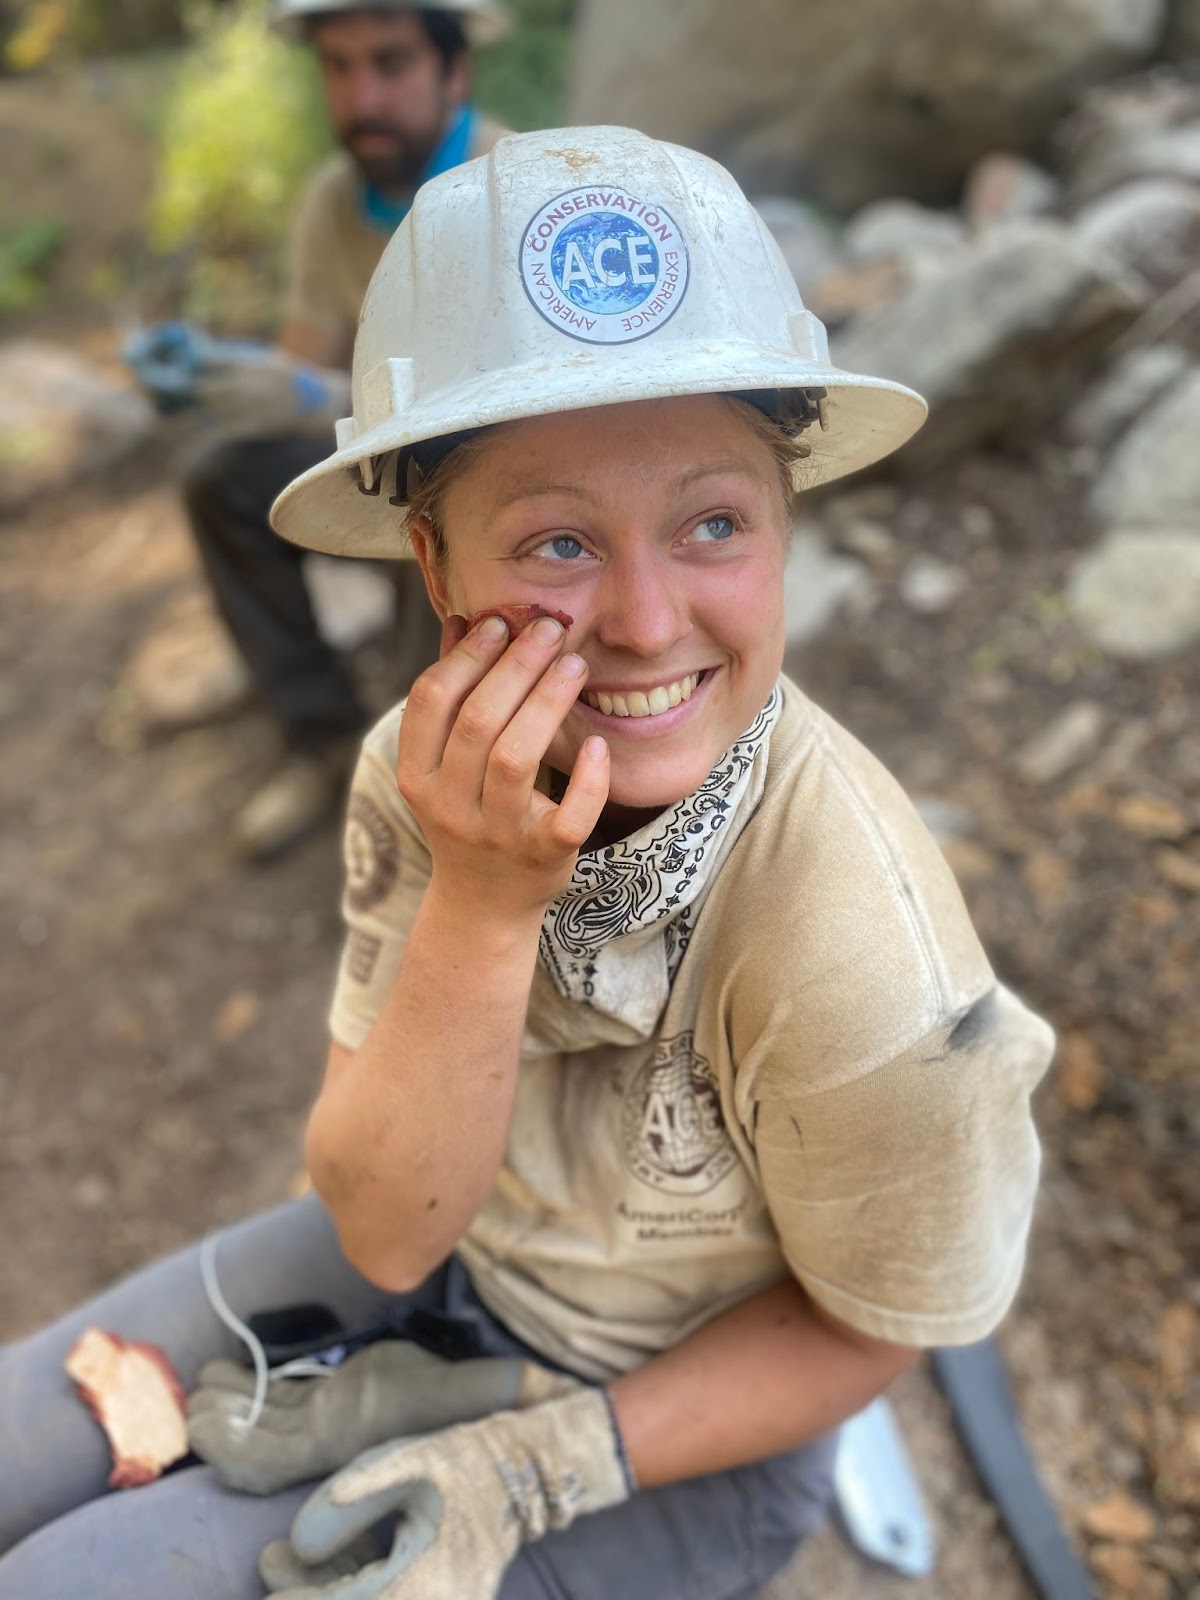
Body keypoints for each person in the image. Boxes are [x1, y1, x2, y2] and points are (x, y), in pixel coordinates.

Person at [0, 127, 1055, 1598]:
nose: (641, 616)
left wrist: (538, 1460)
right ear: (435, 572)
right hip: (454, 1262)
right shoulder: (418, 782)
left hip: (695, 1427)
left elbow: (874, 1331)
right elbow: (381, 1230)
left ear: (787, 520)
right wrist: (484, 902)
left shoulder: (868, 954)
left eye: (711, 522)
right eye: (556, 545)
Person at [169, 0, 510, 859]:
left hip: (495, 472)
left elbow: (513, 409)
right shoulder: (334, 200)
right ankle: (322, 739)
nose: (363, 97)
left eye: (391, 63)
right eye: (339, 66)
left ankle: (423, 787)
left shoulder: (508, 184)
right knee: (223, 477)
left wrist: (312, 394)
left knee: (429, 508)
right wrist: (229, 380)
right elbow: (306, 366)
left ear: (455, 71)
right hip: (388, 455)